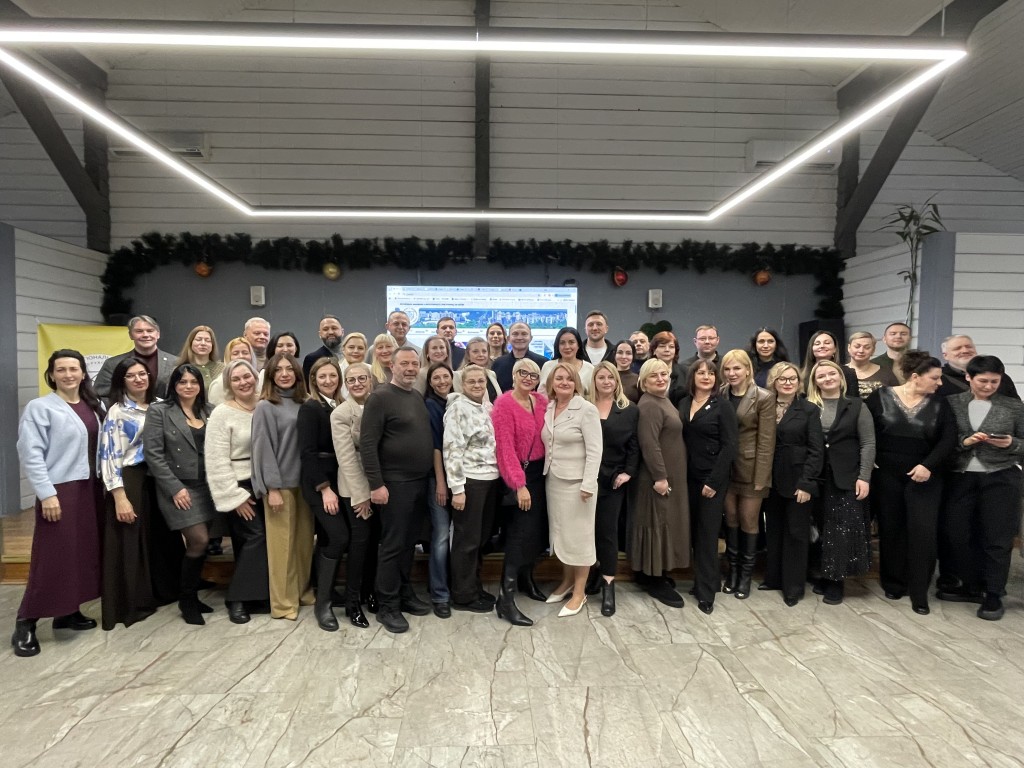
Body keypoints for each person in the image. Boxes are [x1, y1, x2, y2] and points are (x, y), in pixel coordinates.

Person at [12, 350, 104, 657]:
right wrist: (46, 493)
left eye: (73, 369)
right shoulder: (40, 408)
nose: (68, 375)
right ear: (51, 375)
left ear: (83, 373)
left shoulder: (94, 405)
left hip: (90, 488)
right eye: (61, 370)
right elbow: (30, 452)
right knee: (52, 557)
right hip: (60, 491)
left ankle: (67, 611)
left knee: (80, 553)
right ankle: (26, 621)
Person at [866, 350, 956, 616]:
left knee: (923, 533)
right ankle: (893, 583)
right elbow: (865, 432)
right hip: (886, 475)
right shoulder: (879, 397)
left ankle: (919, 592)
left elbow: (948, 440)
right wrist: (870, 462)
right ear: (915, 377)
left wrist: (928, 465)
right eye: (935, 378)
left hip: (925, 476)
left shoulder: (941, 404)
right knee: (891, 530)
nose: (940, 383)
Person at [99, 357, 182, 629]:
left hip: (157, 477)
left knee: (161, 537)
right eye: (131, 375)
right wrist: (119, 496)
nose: (138, 379)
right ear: (122, 381)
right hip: (131, 477)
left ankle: (163, 592)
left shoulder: (160, 405)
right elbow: (109, 456)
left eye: (142, 374)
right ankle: (132, 603)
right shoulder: (117, 412)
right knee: (131, 540)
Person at [943, 355, 1024, 620]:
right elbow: (942, 440)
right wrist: (964, 442)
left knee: (997, 538)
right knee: (958, 533)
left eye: (994, 381)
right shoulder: (952, 403)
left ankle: (993, 593)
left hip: (1001, 477)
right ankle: (971, 585)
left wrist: (1011, 444)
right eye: (983, 381)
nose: (989, 386)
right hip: (960, 476)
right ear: (968, 377)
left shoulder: (1013, 407)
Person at [360, 346, 434, 633]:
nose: (410, 368)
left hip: (418, 483)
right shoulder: (379, 398)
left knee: (408, 543)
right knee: (392, 545)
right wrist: (376, 484)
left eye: (415, 364)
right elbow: (368, 444)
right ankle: (387, 605)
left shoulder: (415, 396)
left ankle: (404, 593)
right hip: (393, 484)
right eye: (404, 363)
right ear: (392, 365)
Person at [143, 363, 217, 625]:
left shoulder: (209, 410)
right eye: (182, 382)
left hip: (207, 485)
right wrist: (174, 488)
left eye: (193, 382)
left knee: (205, 541)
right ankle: (186, 599)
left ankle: (193, 593)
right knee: (198, 539)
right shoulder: (159, 411)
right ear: (174, 385)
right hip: (177, 486)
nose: (188, 386)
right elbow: (153, 454)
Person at [205, 359, 270, 625]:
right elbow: (216, 459)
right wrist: (235, 497)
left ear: (255, 377)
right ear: (229, 384)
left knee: (252, 543)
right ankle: (237, 599)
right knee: (256, 536)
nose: (243, 382)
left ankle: (257, 595)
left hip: (266, 483)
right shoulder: (222, 413)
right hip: (239, 485)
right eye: (236, 379)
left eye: (247, 376)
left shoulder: (265, 406)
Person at [806, 361, 875, 606]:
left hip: (845, 476)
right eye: (821, 376)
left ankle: (836, 581)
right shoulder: (809, 405)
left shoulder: (857, 406)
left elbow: (868, 443)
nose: (827, 378)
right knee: (818, 527)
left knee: (840, 529)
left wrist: (864, 477)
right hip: (815, 475)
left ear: (840, 377)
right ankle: (822, 573)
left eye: (831, 373)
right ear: (815, 381)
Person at [251, 353, 315, 620]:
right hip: (281, 486)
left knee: (303, 545)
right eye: (279, 370)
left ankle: (302, 592)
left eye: (290, 369)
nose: (285, 374)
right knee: (282, 549)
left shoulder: (306, 402)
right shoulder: (266, 406)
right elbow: (262, 448)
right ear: (271, 375)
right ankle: (283, 603)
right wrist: (272, 488)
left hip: (306, 485)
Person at [542, 362, 602, 617]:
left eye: (569, 378)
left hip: (579, 486)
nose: (564, 382)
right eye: (559, 378)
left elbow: (595, 450)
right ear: (551, 383)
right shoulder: (549, 407)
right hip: (554, 481)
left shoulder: (586, 409)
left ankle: (579, 592)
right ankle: (566, 581)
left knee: (580, 538)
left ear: (576, 383)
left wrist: (588, 484)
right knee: (561, 535)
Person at [761, 363, 824, 607]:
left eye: (792, 379)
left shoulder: (808, 409)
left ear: (799, 383)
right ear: (774, 382)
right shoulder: (765, 406)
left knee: (796, 533)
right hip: (770, 479)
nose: (788, 383)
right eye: (782, 379)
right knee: (774, 530)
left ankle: (793, 587)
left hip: (798, 479)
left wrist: (807, 483)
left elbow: (816, 450)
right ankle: (774, 579)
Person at [492, 357, 549, 626]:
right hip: (518, 476)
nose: (528, 378)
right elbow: (504, 449)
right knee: (518, 536)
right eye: (523, 373)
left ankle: (526, 580)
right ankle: (505, 599)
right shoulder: (503, 404)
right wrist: (519, 485)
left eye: (533, 375)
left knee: (536, 532)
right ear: (513, 375)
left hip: (540, 475)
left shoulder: (541, 401)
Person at [679, 358, 738, 615]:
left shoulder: (722, 406)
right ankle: (707, 581)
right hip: (687, 477)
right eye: (701, 373)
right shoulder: (683, 403)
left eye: (711, 373)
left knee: (707, 535)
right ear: (692, 377)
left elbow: (730, 446)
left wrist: (714, 482)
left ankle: (706, 595)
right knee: (694, 532)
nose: (706, 377)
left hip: (711, 479)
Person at [444, 364, 503, 614]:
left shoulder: (487, 407)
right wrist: (457, 489)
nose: (477, 385)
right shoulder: (458, 408)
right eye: (472, 382)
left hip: (491, 479)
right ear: (462, 384)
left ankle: (474, 586)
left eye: (481, 381)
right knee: (466, 540)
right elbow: (452, 450)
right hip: (470, 481)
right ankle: (462, 595)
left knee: (480, 539)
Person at [631, 359, 690, 608]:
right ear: (644, 381)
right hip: (657, 479)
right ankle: (653, 578)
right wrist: (660, 477)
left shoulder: (663, 400)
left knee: (665, 524)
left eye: (664, 374)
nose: (660, 379)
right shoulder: (649, 405)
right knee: (656, 524)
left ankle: (658, 573)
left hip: (670, 476)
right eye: (654, 375)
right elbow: (649, 443)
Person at [720, 348, 775, 599]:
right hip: (726, 469)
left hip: (752, 469)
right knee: (730, 519)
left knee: (748, 521)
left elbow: (766, 442)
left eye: (737, 368)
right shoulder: (721, 393)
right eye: (727, 369)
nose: (732, 373)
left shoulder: (763, 397)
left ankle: (745, 576)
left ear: (747, 370)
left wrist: (762, 478)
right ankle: (732, 572)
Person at [584, 362, 638, 616]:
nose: (606, 381)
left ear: (617, 381)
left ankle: (608, 584)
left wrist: (628, 472)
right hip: (585, 478)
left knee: (607, 532)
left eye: (610, 377)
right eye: (601, 377)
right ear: (593, 381)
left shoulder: (629, 409)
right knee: (588, 531)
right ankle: (594, 571)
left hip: (613, 480)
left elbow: (635, 445)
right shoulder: (584, 406)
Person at [297, 357, 346, 631]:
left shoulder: (340, 405)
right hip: (319, 482)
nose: (328, 381)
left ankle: (324, 589)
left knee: (329, 537)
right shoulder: (310, 408)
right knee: (339, 536)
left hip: (341, 478)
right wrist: (325, 488)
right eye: (322, 377)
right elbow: (307, 452)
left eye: (332, 375)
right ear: (313, 381)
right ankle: (322, 604)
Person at [329, 362, 378, 628]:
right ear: (345, 384)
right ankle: (352, 602)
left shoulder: (378, 405)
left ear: (370, 380)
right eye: (351, 380)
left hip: (379, 484)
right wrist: (361, 496)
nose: (357, 383)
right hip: (354, 488)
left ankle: (370, 592)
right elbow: (346, 458)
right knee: (359, 545)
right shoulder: (340, 413)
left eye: (362, 378)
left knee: (374, 544)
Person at [423, 361, 455, 617]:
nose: (442, 381)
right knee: (442, 535)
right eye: (437, 378)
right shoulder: (430, 405)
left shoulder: (457, 403)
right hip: (440, 478)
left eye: (446, 376)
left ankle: (458, 586)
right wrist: (441, 482)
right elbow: (435, 447)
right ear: (430, 382)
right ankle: (440, 594)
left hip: (461, 478)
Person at [94, 314, 175, 399]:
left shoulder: (175, 362)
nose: (145, 335)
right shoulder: (113, 364)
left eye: (150, 331)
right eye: (139, 331)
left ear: (158, 334)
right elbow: (101, 394)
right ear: (131, 335)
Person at [936, 334, 1020, 399]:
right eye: (957, 348)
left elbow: (1017, 408)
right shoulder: (937, 379)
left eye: (969, 347)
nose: (965, 350)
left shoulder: (1001, 377)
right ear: (945, 355)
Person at [491, 322, 548, 392]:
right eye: (515, 334)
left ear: (531, 338)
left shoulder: (543, 363)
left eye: (524, 334)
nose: (519, 338)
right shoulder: (498, 363)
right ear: (508, 338)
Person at [799, 330, 858, 396]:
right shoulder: (801, 375)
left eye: (827, 343)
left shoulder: (848, 373)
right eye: (817, 344)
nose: (822, 346)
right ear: (811, 349)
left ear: (835, 349)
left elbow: (854, 399)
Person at [539, 327, 594, 395]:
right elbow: (541, 394)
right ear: (557, 346)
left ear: (578, 345)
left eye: (571, 342)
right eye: (562, 343)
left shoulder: (589, 369)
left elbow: (593, 396)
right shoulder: (548, 366)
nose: (567, 347)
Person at [207, 336, 258, 406]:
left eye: (245, 353)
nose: (241, 356)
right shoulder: (218, 385)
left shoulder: (259, 378)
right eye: (235, 353)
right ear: (228, 357)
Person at [847, 331, 898, 399]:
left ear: (873, 350)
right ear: (849, 348)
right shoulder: (838, 372)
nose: (861, 350)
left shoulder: (886, 373)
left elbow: (897, 398)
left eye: (867, 347)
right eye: (857, 346)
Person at [174, 325, 223, 391]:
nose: (203, 343)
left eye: (207, 340)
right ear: (191, 343)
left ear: (212, 345)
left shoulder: (222, 369)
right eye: (198, 339)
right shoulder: (180, 369)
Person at [454, 337, 502, 402]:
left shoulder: (491, 374)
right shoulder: (458, 375)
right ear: (468, 355)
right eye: (475, 351)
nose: (481, 355)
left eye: (484, 351)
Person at [302, 314, 345, 382]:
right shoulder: (312, 359)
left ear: (342, 332)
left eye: (334, 328)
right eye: (325, 329)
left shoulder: (354, 355)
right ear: (320, 334)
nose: (330, 332)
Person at [649, 330, 686, 404]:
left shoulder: (686, 371)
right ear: (654, 350)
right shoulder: (646, 371)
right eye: (662, 346)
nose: (667, 350)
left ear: (675, 351)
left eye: (671, 347)